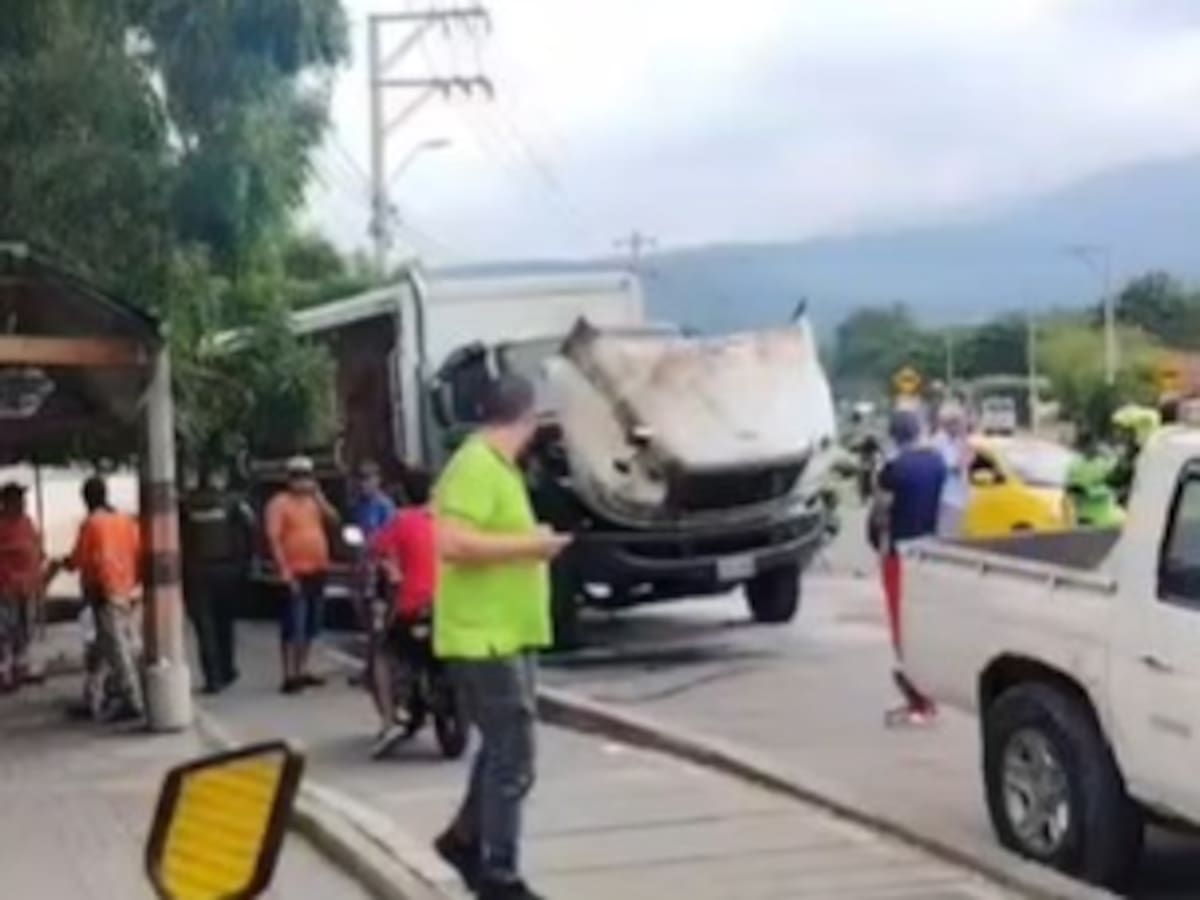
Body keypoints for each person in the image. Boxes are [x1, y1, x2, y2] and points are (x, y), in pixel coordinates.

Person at [432, 373, 571, 900]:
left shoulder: (498, 467)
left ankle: (466, 839)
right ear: (527, 418)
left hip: (507, 633)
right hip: (483, 637)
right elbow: (452, 543)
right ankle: (499, 873)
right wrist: (531, 546)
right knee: (515, 758)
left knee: (502, 749)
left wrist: (529, 541)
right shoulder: (474, 466)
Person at [872, 410, 946, 725]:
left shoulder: (893, 470)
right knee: (925, 624)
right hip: (931, 551)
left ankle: (919, 700)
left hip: (899, 554)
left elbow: (881, 513)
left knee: (902, 627)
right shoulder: (937, 463)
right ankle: (926, 694)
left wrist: (879, 542)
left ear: (894, 436)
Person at [57, 476, 144, 721]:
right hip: (128, 589)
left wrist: (61, 565)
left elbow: (79, 560)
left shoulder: (92, 524)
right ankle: (95, 696)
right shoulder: (125, 521)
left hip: (105, 592)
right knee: (107, 647)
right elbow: (138, 552)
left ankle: (132, 699)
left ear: (85, 499)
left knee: (116, 648)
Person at [366, 468, 437, 756]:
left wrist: (391, 567)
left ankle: (387, 720)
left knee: (382, 654)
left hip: (413, 606)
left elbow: (375, 549)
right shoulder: (448, 521)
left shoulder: (401, 521)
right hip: (449, 605)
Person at [265, 456, 339, 694]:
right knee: (293, 623)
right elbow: (274, 539)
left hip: (317, 568)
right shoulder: (279, 503)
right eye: (298, 477)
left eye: (306, 476)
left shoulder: (314, 501)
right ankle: (289, 674)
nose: (303, 482)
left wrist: (320, 497)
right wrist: (284, 570)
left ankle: (302, 668)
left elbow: (334, 519)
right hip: (294, 571)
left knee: (311, 624)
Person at [180, 463, 255, 694]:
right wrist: (244, 564)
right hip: (226, 569)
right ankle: (226, 669)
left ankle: (213, 677)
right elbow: (249, 531)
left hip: (196, 571)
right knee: (224, 623)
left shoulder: (186, 505)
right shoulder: (233, 504)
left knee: (205, 627)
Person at [0, 484, 42, 692]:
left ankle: (20, 667)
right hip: (6, 585)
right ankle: (4, 671)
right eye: (18, 498)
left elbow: (36, 548)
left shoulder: (27, 523)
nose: (22, 503)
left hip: (28, 586)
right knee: (6, 630)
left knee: (25, 629)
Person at [1066, 430, 1125, 528]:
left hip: (1097, 513)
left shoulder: (1103, 462)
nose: (1091, 448)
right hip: (1096, 516)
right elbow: (1073, 490)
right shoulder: (1077, 464)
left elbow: (1115, 479)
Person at [932, 403, 971, 538]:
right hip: (947, 498)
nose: (964, 426)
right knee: (948, 537)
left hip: (958, 498)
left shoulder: (956, 441)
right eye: (961, 422)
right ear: (951, 424)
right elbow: (953, 467)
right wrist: (965, 456)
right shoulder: (940, 441)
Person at [354, 461, 396, 540]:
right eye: (360, 479)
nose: (362, 484)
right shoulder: (358, 504)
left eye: (367, 479)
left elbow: (390, 533)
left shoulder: (385, 505)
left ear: (377, 480)